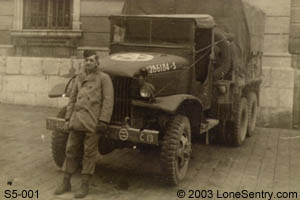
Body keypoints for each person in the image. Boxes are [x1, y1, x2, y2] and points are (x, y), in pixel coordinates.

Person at [54, 50, 114, 198]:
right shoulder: (79, 78)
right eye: (86, 60)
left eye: (91, 60)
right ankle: (65, 182)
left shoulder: (104, 79)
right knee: (70, 150)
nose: (88, 63)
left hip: (92, 123)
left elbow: (108, 101)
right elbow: (72, 99)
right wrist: (68, 118)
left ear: (97, 62)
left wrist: (103, 120)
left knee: (89, 154)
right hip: (76, 121)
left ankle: (84, 185)